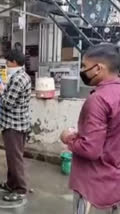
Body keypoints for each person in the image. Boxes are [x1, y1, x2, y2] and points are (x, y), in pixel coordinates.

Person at [60, 43, 120, 214]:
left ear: (98, 68)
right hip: (115, 183)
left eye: (85, 66)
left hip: (94, 184)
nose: (83, 71)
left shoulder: (99, 100)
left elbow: (91, 149)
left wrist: (68, 138)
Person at [0, 49, 31, 201]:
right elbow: (10, 96)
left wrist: (0, 91)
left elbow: (8, 103)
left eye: (7, 62)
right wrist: (1, 93)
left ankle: (20, 189)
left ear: (14, 62)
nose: (6, 65)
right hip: (15, 123)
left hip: (14, 125)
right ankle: (11, 183)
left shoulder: (18, 78)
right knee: (11, 157)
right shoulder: (19, 76)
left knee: (15, 158)